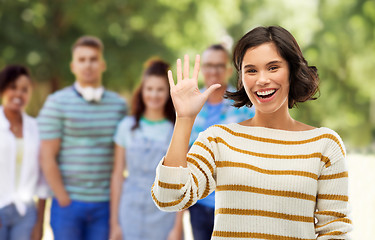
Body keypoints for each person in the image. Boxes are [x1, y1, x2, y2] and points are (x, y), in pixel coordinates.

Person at [152, 26, 352, 239]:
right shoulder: (219, 139)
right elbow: (169, 198)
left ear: (292, 71)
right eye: (251, 70)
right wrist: (184, 119)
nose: (262, 79)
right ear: (242, 78)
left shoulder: (325, 144)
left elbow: (334, 230)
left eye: (273, 67)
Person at [37, 36, 127, 240]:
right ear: (73, 65)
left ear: (102, 64)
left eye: (93, 59)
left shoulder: (118, 106)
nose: (88, 65)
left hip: (105, 205)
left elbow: (121, 158)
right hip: (68, 204)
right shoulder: (56, 103)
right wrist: (63, 198)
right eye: (82, 59)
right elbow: (46, 156)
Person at [186, 44, 254, 240]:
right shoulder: (189, 105)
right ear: (202, 69)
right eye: (208, 65)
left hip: (235, 206)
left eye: (219, 65)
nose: (213, 71)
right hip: (198, 206)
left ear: (228, 70)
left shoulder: (246, 106)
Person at [110, 59, 182, 240]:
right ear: (142, 91)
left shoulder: (176, 129)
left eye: (160, 89)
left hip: (165, 212)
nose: (154, 94)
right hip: (130, 211)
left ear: (168, 93)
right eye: (149, 89)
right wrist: (114, 224)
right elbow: (118, 175)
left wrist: (177, 229)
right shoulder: (126, 127)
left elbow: (183, 182)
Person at [0, 65, 50, 240]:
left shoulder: (36, 129)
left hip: (26, 213)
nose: (18, 95)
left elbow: (43, 178)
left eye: (24, 90)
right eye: (13, 87)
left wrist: (40, 222)